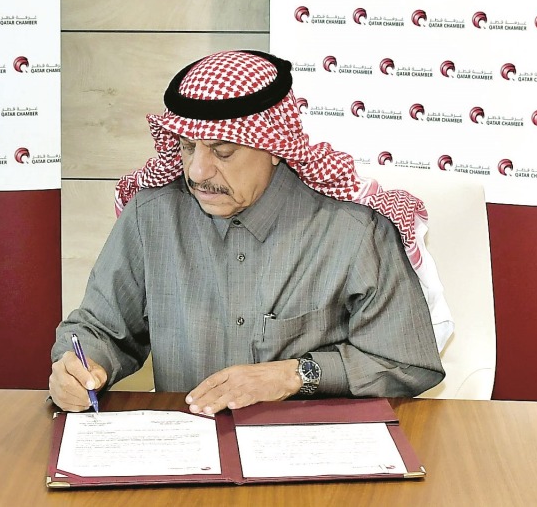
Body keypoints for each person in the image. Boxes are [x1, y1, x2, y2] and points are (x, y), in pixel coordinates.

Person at [50, 49, 448, 414]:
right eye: (188, 147)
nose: (197, 172)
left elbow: (407, 363)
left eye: (222, 151)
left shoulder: (352, 229)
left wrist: (296, 375)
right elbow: (101, 329)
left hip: (310, 451)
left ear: (274, 147)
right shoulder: (151, 216)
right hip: (188, 448)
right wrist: (81, 368)